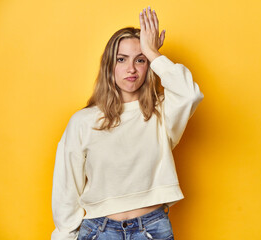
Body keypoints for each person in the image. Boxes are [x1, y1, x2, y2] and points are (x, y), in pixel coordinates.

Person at [51, 6, 204, 240]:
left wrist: (153, 52)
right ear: (109, 65)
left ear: (148, 66)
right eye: (121, 59)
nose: (131, 69)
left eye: (140, 60)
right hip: (98, 232)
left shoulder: (161, 112)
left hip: (152, 229)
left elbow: (190, 95)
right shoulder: (83, 121)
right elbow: (66, 189)